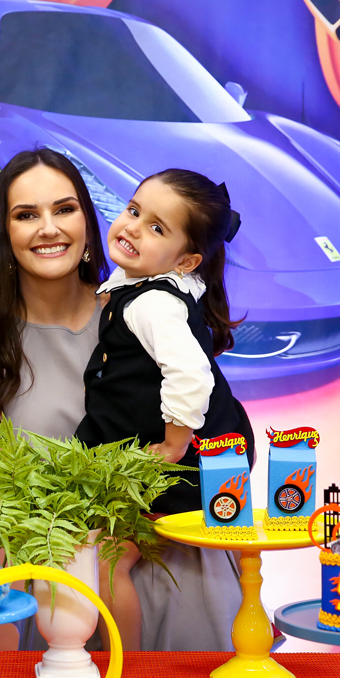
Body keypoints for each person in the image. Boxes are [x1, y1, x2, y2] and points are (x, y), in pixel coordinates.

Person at [74, 167, 251, 652]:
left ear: (187, 260)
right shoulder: (145, 285)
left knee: (108, 562)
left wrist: (174, 444)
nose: (132, 227)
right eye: (133, 210)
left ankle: (127, 667)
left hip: (186, 463)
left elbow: (191, 375)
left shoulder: (154, 303)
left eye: (156, 227)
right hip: (195, 452)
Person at [0, 148, 119, 647]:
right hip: (36, 590)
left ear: (87, 222)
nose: (49, 228)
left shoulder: (140, 320)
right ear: (3, 236)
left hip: (144, 575)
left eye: (64, 209)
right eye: (27, 215)